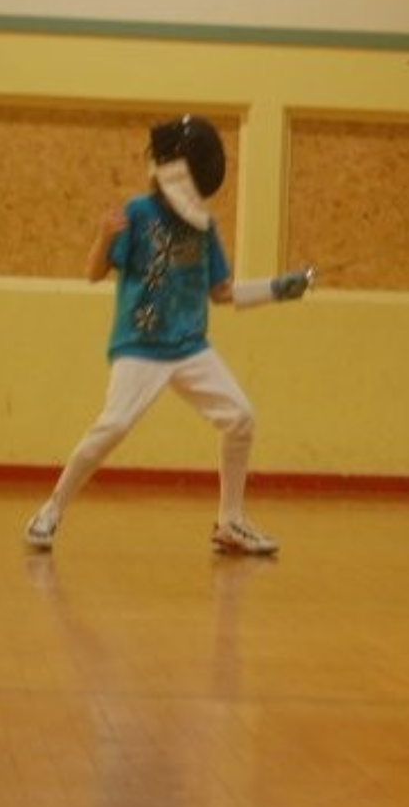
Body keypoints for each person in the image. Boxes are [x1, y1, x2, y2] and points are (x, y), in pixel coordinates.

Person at [24, 115, 311, 556]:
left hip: (190, 347)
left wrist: (277, 289)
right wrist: (102, 238)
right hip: (139, 346)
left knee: (239, 418)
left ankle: (230, 522)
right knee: (114, 424)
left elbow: (221, 292)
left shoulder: (203, 225)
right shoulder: (138, 212)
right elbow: (93, 274)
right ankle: (51, 509)